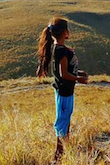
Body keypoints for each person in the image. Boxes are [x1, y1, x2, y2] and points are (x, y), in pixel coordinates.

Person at [36, 17, 89, 160]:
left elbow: (64, 71)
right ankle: (58, 154)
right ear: (65, 32)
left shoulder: (57, 48)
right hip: (65, 91)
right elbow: (64, 74)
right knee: (62, 120)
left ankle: (65, 147)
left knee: (65, 119)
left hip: (64, 89)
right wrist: (79, 79)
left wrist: (78, 73)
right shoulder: (61, 51)